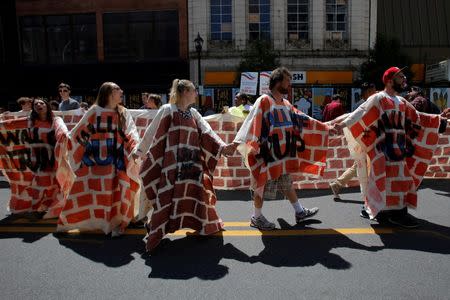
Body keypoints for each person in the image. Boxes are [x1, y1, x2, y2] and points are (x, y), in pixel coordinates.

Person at [334, 67, 449, 228]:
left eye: (403, 77)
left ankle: (384, 211)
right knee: (383, 180)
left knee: (398, 181)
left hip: (398, 151)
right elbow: (360, 112)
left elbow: (418, 117)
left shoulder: (402, 102)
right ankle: (391, 213)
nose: (404, 79)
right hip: (382, 150)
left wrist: (439, 119)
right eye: (400, 77)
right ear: (389, 80)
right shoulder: (379, 98)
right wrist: (343, 124)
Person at [132, 79, 236, 251]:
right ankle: (156, 229)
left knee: (197, 195)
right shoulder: (167, 110)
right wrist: (139, 151)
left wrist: (223, 147)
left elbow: (207, 131)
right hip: (171, 167)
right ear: (185, 92)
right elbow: (152, 132)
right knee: (168, 197)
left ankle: (204, 226)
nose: (196, 93)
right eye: (194, 90)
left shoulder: (194, 113)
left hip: (192, 165)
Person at [233, 67, 336, 230]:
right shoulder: (264, 101)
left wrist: (324, 127)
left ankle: (299, 211)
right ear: (278, 81)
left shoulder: (285, 103)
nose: (290, 85)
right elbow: (251, 123)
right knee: (260, 185)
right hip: (265, 154)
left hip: (281, 155)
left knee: (286, 182)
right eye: (288, 81)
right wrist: (243, 145)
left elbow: (303, 118)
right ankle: (256, 217)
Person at [57, 82, 140, 236]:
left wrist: (135, 148)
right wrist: (64, 139)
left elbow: (131, 132)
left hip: (117, 161)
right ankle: (100, 222)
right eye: (117, 89)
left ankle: (119, 223)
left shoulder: (123, 112)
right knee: (96, 193)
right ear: (108, 93)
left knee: (121, 191)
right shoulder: (94, 111)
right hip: (95, 162)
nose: (121, 91)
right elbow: (78, 132)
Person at [0, 98, 68, 217]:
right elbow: (9, 126)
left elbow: (61, 129)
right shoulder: (29, 121)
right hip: (35, 161)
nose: (38, 105)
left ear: (47, 106)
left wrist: (63, 134)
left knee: (53, 185)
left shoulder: (55, 120)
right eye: (36, 104)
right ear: (33, 108)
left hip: (52, 159)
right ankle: (37, 208)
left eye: (41, 103)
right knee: (40, 185)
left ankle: (48, 207)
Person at [330, 82, 377, 201]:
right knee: (363, 165)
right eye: (373, 90)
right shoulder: (365, 105)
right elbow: (351, 117)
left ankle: (338, 184)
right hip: (364, 140)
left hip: (369, 139)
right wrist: (337, 124)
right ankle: (370, 196)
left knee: (360, 164)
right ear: (367, 92)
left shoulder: (371, 102)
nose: (375, 92)